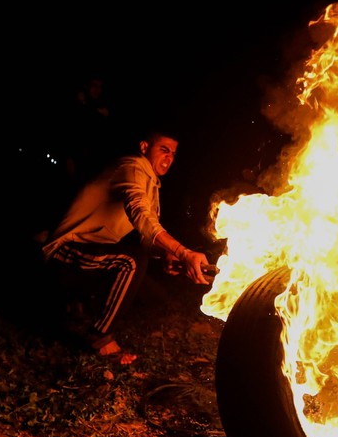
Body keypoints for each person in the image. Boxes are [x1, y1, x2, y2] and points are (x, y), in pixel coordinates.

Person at [41, 125, 211, 364]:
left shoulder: (152, 185)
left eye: (173, 153)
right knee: (131, 262)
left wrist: (168, 257)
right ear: (144, 147)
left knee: (156, 297)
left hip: (92, 257)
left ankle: (76, 305)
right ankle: (100, 338)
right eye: (164, 150)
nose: (169, 158)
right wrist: (182, 252)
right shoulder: (131, 167)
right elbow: (140, 214)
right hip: (65, 251)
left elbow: (147, 238)